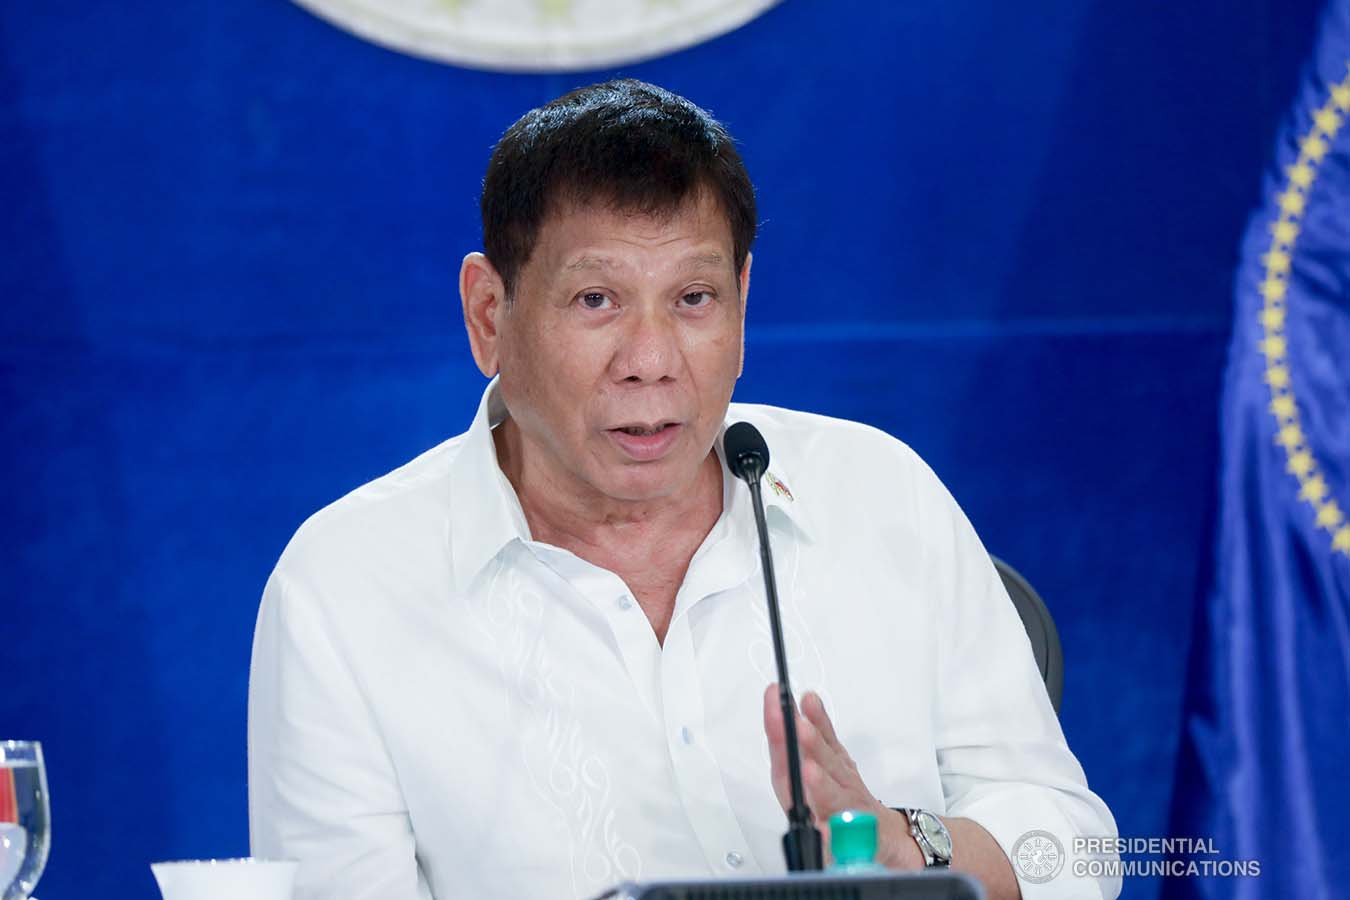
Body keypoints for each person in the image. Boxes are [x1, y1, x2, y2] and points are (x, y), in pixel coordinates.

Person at [248, 79, 1118, 900]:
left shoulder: (880, 493)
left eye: (695, 298)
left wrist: (904, 843)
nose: (653, 361)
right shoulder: (345, 588)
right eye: (596, 300)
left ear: (743, 296)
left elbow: (1081, 849)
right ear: (489, 316)